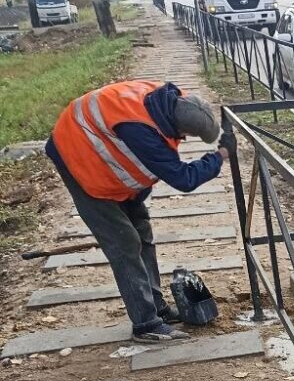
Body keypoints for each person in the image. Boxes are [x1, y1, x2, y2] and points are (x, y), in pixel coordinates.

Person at [46, 79, 237, 344]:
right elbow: (184, 179)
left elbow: (141, 162)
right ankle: (145, 324)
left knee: (142, 231)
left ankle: (155, 307)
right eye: (184, 137)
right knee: (125, 243)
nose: (181, 141)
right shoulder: (142, 131)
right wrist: (220, 156)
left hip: (101, 150)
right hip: (77, 157)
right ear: (177, 126)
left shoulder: (167, 98)